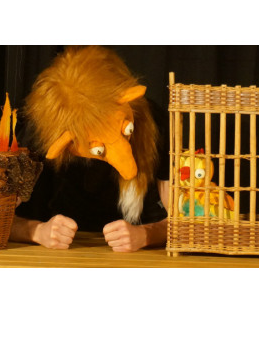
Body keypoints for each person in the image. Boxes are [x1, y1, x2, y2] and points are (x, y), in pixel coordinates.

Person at [10, 46, 169, 252]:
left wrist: (146, 235)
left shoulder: (152, 120)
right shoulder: (38, 130)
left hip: (136, 253)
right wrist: (37, 231)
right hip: (63, 251)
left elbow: (183, 221)